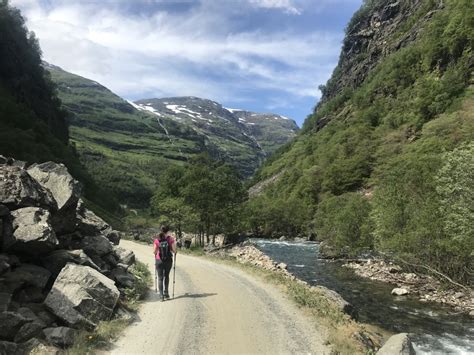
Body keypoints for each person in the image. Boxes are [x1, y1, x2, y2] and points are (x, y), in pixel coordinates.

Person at [153, 225, 177, 301]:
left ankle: (161, 296)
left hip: (159, 260)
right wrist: (175, 243)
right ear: (168, 231)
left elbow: (154, 251)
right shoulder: (171, 239)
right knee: (166, 276)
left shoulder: (157, 239)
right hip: (168, 260)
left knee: (160, 278)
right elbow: (174, 251)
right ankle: (166, 293)